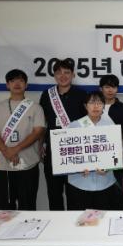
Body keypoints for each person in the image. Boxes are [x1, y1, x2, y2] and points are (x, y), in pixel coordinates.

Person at [0, 69, 45, 210]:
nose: (17, 84)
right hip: (4, 165)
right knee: (5, 207)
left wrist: (15, 149)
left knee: (28, 206)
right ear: (7, 85)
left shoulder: (36, 108)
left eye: (21, 80)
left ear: (26, 85)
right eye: (13, 81)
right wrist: (7, 151)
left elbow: (38, 132)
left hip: (28, 164)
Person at [39, 58, 87, 210]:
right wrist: (41, 145)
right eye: (59, 72)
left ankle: (74, 223)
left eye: (67, 72)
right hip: (53, 152)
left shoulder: (82, 95)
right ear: (54, 75)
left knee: (75, 193)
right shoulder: (47, 95)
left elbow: (88, 122)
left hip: (74, 151)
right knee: (54, 193)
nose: (63, 76)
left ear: (73, 75)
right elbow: (42, 122)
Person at [66, 91, 123, 210]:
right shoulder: (74, 126)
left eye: (99, 103)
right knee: (80, 219)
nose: (96, 106)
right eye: (92, 102)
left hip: (105, 182)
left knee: (102, 218)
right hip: (79, 183)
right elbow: (66, 155)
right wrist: (76, 168)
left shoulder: (111, 126)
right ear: (85, 106)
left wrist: (108, 168)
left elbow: (116, 154)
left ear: (103, 106)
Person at [99, 74, 123, 210]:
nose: (110, 90)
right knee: (100, 196)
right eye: (107, 87)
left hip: (118, 159)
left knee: (118, 195)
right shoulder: (93, 107)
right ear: (101, 88)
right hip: (97, 159)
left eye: (113, 87)